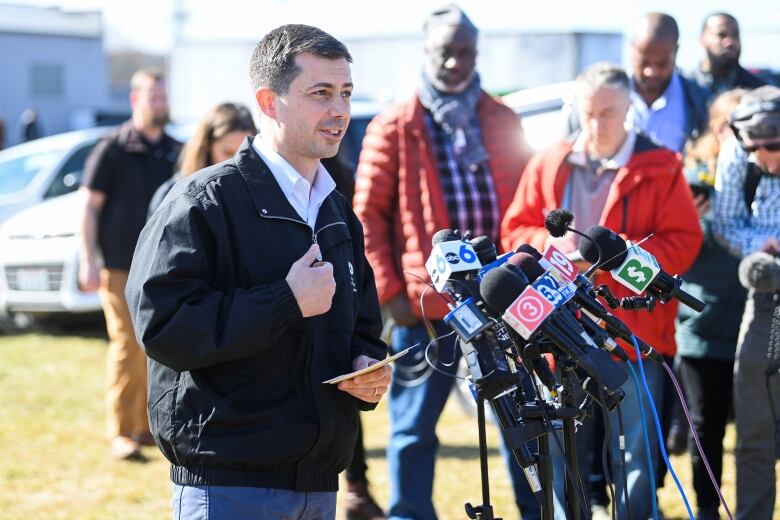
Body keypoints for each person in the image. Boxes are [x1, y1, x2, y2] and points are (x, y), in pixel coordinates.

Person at [125, 24, 390, 520]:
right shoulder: (202, 202)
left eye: (346, 93)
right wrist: (285, 301)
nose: (340, 111)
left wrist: (366, 367)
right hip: (229, 484)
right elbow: (162, 326)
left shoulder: (336, 211)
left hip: (318, 483)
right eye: (321, 93)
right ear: (269, 102)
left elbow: (363, 328)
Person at [500, 62, 703, 519]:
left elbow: (682, 243)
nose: (596, 124)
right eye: (589, 113)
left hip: (631, 330)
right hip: (555, 331)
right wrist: (549, 245)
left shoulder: (661, 166)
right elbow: (514, 230)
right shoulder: (549, 161)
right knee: (558, 450)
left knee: (633, 454)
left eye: (608, 113)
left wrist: (618, 258)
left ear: (629, 107)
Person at [354, 5, 533, 519]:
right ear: (426, 52)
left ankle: (535, 509)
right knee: (412, 427)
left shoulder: (501, 117)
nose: (455, 62)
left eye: (464, 51)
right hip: (425, 309)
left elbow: (526, 203)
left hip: (501, 300)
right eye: (444, 51)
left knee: (521, 419)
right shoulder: (396, 125)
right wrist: (392, 294)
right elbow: (366, 218)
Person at [78, 68, 181, 461]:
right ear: (135, 100)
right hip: (120, 266)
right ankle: (120, 431)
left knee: (152, 346)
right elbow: (89, 208)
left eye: (163, 96)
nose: (160, 103)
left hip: (161, 266)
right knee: (127, 344)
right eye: (153, 97)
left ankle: (142, 427)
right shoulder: (112, 148)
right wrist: (88, 259)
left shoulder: (173, 150)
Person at [677, 88, 747, 520]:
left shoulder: (771, 174)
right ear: (718, 130)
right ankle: (707, 509)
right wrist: (692, 217)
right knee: (706, 428)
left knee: (762, 430)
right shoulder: (693, 178)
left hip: (762, 322)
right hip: (703, 324)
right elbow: (675, 253)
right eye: (737, 127)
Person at [712, 85, 780, 520]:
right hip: (767, 295)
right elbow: (725, 222)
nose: (761, 157)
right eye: (753, 147)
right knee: (755, 423)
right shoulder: (740, 152)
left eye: (771, 147)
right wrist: (764, 246)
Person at [148, 102, 257, 215]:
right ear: (207, 146)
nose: (236, 161)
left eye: (243, 153)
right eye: (228, 153)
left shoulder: (259, 194)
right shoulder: (173, 196)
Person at [628, 12, 708, 153]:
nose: (651, 72)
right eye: (644, 62)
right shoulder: (608, 95)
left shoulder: (698, 99)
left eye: (662, 64)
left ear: (676, 52)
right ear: (632, 48)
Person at [690, 13, 766, 103]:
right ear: (702, 39)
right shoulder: (684, 87)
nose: (730, 42)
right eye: (721, 35)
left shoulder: (758, 90)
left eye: (735, 35)